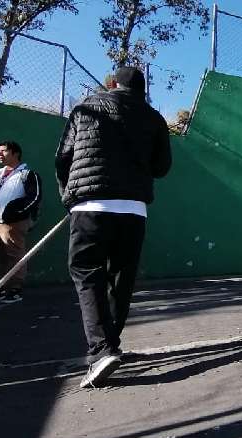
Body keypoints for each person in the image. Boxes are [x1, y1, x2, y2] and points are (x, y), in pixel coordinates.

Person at [56, 67, 172, 388]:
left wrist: (69, 198)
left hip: (90, 207)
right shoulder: (154, 118)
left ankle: (101, 349)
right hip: (133, 209)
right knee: (121, 278)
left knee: (86, 271)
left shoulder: (86, 108)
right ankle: (111, 346)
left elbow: (63, 158)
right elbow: (162, 168)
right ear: (142, 89)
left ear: (111, 84)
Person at [0, 141, 42, 301]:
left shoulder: (27, 174)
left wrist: (16, 214)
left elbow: (34, 198)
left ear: (15, 154)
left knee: (15, 255)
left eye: (4, 151)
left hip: (12, 223)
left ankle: (15, 289)